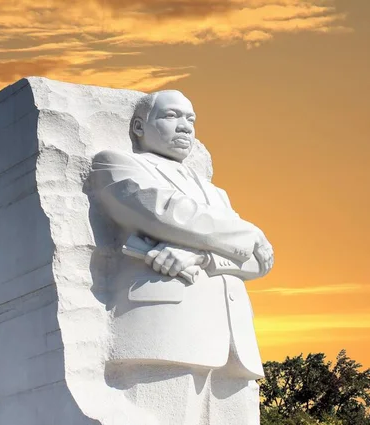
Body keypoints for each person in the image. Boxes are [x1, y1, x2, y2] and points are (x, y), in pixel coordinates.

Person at [91, 90, 274, 424]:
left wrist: (200, 256)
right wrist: (250, 233)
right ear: (138, 127)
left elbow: (259, 262)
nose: (186, 127)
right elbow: (166, 213)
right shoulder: (116, 164)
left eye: (191, 120)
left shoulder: (217, 194)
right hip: (166, 330)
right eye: (172, 116)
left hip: (233, 341)